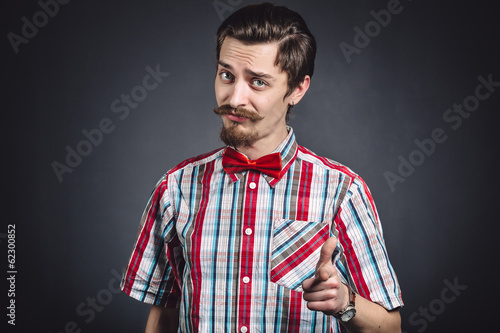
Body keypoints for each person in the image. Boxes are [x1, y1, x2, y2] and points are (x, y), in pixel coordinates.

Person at [121, 3, 403, 332]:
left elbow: (391, 327)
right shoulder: (174, 188)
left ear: (297, 88)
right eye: (227, 75)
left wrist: (346, 303)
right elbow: (164, 316)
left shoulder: (342, 191)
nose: (235, 98)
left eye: (257, 82)